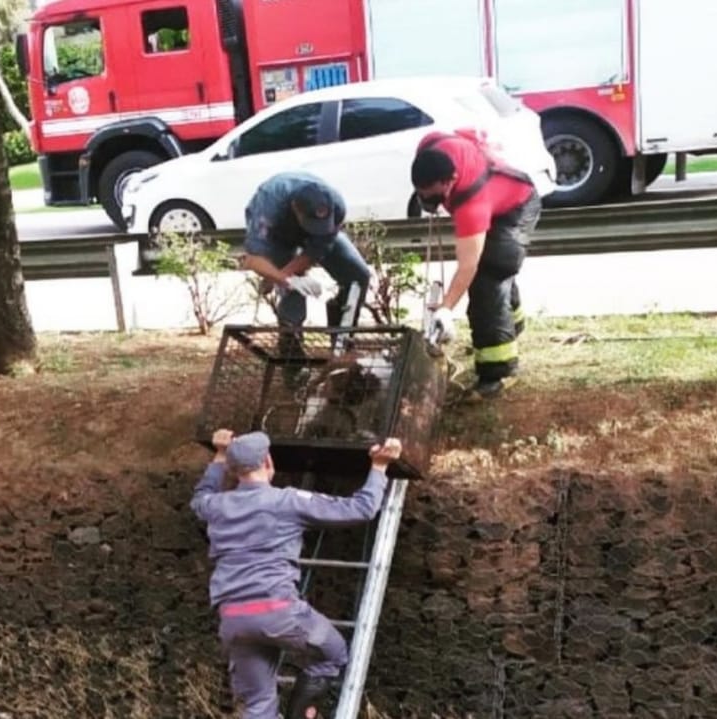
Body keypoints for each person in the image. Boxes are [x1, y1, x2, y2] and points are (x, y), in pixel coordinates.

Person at [191, 429, 403, 719]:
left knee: (258, 705)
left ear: (232, 469)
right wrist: (379, 467)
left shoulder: (216, 506)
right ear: (268, 461)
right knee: (333, 654)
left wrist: (219, 455)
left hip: (234, 619)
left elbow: (200, 496)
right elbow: (361, 509)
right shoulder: (287, 501)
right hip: (279, 613)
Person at [411, 127, 541, 399]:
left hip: (517, 206)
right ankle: (512, 324)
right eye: (423, 195)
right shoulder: (432, 146)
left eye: (435, 197)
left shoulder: (472, 205)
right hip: (497, 194)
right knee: (496, 271)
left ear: (451, 180)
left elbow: (467, 265)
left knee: (489, 278)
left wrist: (446, 309)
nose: (430, 202)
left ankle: (498, 371)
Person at [240, 172, 372, 332]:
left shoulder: (336, 205)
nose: (316, 229)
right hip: (277, 235)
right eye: (312, 224)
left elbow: (317, 250)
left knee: (358, 275)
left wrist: (283, 276)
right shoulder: (269, 205)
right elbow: (253, 258)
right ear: (295, 208)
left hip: (310, 229)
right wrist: (284, 279)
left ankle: (341, 337)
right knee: (294, 287)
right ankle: (291, 339)